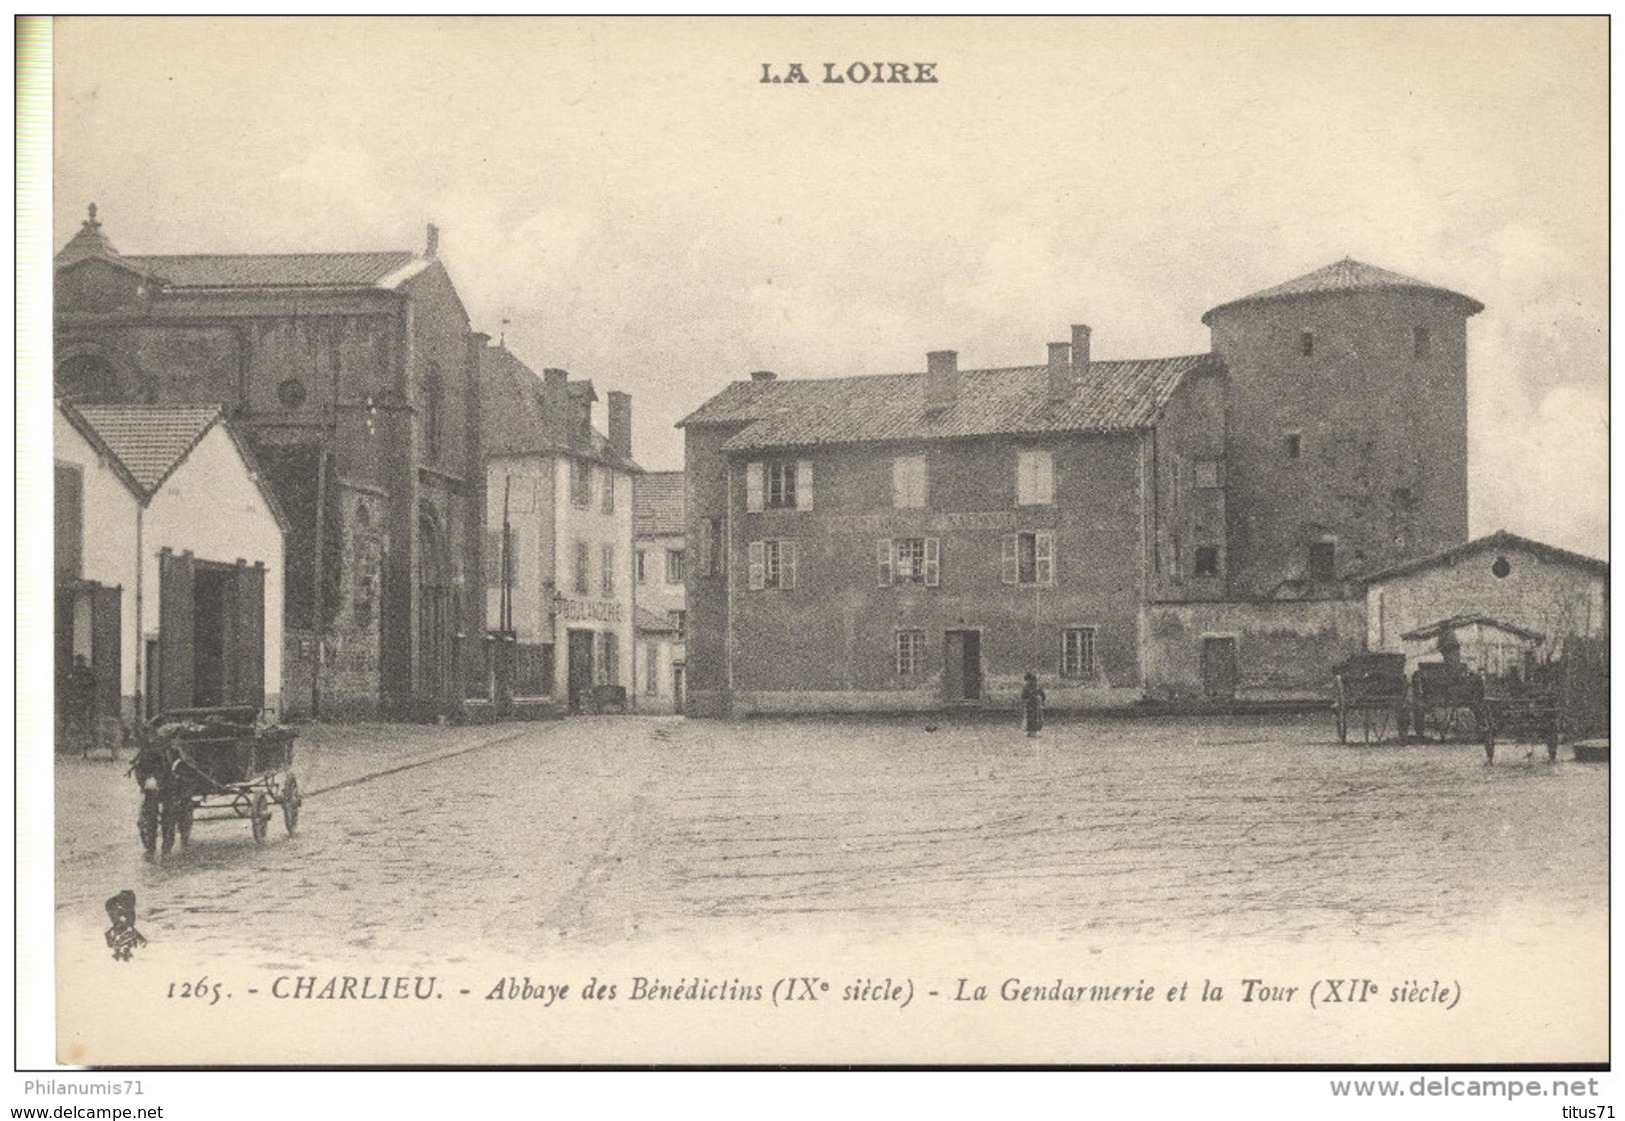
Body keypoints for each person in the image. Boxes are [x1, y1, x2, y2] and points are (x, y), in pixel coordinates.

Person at [1021, 672, 1046, 738]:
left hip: (1036, 704)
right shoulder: (1027, 687)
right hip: (1031, 704)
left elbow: (1043, 695)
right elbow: (1023, 696)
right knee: (1030, 717)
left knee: (1036, 717)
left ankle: (1035, 731)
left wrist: (1041, 702)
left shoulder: (1036, 687)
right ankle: (1030, 731)